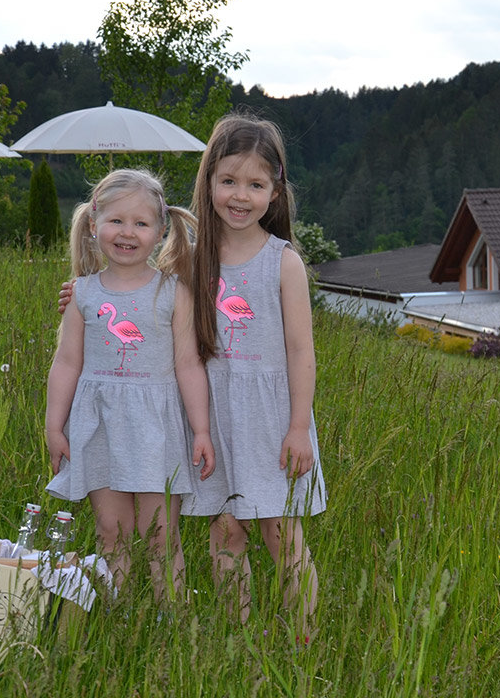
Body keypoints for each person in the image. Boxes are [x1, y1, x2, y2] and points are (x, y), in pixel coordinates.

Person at [45, 168, 215, 604]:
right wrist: (54, 427)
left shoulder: (172, 292)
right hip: (99, 426)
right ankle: (115, 619)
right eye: (116, 221)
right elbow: (66, 363)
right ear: (93, 224)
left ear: (161, 231)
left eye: (141, 223)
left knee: (160, 535)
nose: (127, 233)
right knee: (110, 532)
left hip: (156, 430)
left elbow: (188, 364)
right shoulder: (81, 293)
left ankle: (171, 622)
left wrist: (200, 430)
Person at [183, 113, 324, 633]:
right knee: (225, 531)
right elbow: (142, 302)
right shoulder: (192, 260)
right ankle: (234, 644)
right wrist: (80, 295)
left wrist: (298, 428)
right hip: (214, 416)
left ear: (275, 191)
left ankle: (304, 641)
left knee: (280, 533)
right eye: (228, 181)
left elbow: (300, 353)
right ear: (209, 182)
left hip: (271, 419)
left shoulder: (283, 263)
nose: (240, 195)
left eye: (255, 184)